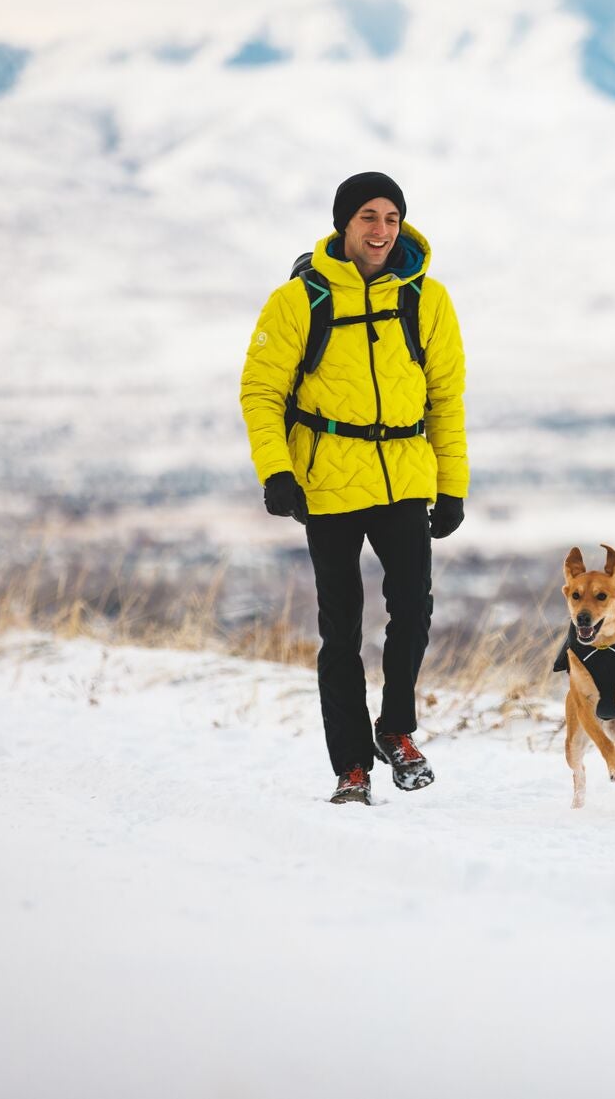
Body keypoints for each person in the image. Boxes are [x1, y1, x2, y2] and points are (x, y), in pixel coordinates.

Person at [240, 172, 468, 805]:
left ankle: (395, 731)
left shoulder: (427, 300)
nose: (381, 230)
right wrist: (276, 470)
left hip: (403, 477)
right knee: (341, 631)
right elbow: (261, 391)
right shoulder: (297, 302)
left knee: (414, 615)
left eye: (392, 217)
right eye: (368, 216)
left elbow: (446, 399)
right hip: (329, 485)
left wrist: (451, 486)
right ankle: (351, 769)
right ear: (344, 223)